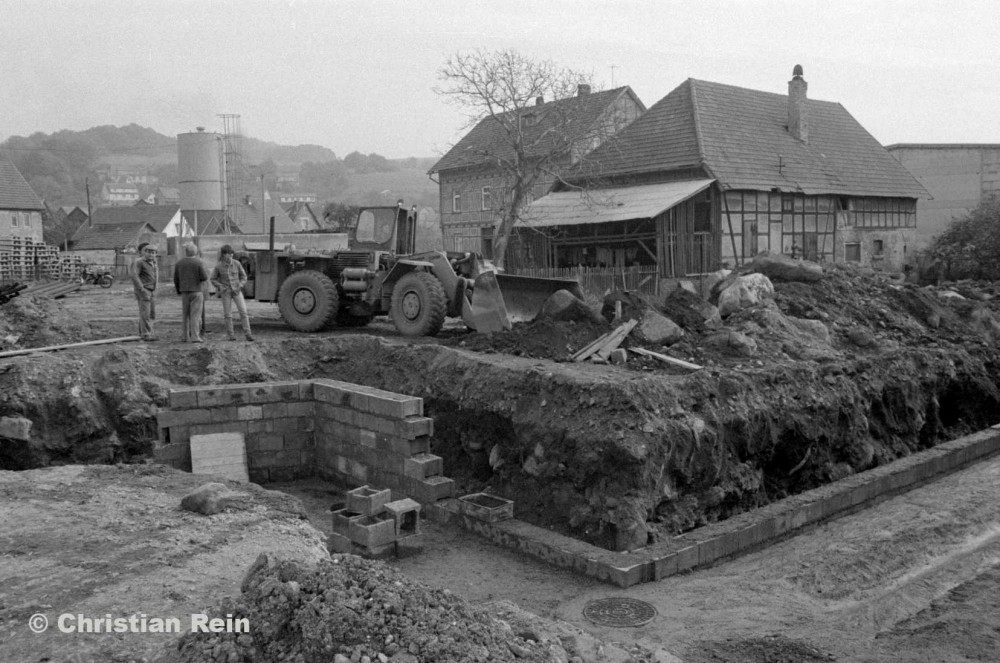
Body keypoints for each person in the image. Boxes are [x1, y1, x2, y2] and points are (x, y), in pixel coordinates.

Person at [210, 245, 254, 342]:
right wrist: (220, 286)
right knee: (228, 314)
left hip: (237, 291)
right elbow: (212, 279)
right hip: (226, 292)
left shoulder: (237, 264)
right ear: (224, 255)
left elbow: (244, 276)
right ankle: (231, 335)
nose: (231, 256)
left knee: (243, 312)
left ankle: (248, 334)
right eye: (229, 254)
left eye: (232, 254)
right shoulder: (219, 266)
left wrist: (241, 285)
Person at [173, 243, 209, 343]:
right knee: (195, 315)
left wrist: (178, 290)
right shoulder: (199, 262)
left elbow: (175, 278)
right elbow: (204, 277)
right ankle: (195, 336)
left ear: (186, 252)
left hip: (184, 291)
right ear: (196, 252)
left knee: (185, 315)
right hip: (197, 291)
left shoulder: (179, 263)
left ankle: (184, 336)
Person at [130, 242, 158, 341]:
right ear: (144, 252)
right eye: (149, 252)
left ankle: (147, 332)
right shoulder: (139, 262)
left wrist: (155, 289)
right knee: (145, 313)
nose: (151, 254)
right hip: (144, 290)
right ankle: (146, 334)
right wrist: (142, 289)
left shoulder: (154, 262)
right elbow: (134, 276)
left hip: (152, 291)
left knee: (151, 313)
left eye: (153, 252)